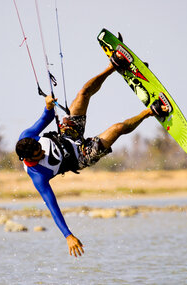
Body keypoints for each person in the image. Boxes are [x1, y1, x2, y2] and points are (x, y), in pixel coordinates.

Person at [15, 52, 169, 257]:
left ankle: (114, 66)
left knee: (83, 93)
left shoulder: (27, 136)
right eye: (39, 153)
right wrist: (68, 235)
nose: (42, 150)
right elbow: (53, 207)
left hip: (67, 134)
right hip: (80, 156)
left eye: (39, 147)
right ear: (31, 159)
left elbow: (47, 117)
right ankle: (153, 111)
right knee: (117, 128)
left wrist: (48, 105)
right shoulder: (38, 176)